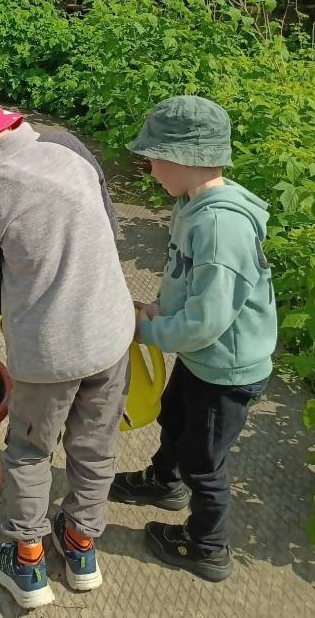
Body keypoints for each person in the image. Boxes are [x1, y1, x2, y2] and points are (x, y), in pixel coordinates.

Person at [0, 89, 134, 608]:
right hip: (111, 334)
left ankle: (27, 564)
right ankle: (82, 547)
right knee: (94, 446)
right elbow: (109, 228)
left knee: (29, 453)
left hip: (48, 354)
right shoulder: (69, 146)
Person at [111, 95, 277, 582]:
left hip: (226, 369)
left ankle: (208, 545)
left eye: (154, 157)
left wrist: (147, 331)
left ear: (185, 158)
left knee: (204, 462)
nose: (149, 168)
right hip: (202, 357)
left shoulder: (221, 226)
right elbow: (186, 280)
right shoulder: (190, 204)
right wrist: (160, 308)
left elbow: (208, 319)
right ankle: (164, 482)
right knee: (175, 417)